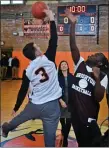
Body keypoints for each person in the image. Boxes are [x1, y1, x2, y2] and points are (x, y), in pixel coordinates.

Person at [2, 9, 62, 147]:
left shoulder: (28, 71)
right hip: (52, 106)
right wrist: (52, 19)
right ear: (36, 52)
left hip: (35, 105)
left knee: (20, 118)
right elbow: (54, 40)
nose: (39, 47)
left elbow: (23, 90)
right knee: (49, 139)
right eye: (37, 46)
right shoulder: (48, 59)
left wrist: (16, 107)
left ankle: (7, 128)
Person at [65, 9, 108, 147]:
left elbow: (99, 98)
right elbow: (73, 46)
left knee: (89, 144)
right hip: (75, 115)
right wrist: (73, 24)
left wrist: (96, 79)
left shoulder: (102, 76)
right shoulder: (80, 64)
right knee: (81, 143)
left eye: (96, 55)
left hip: (88, 118)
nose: (92, 54)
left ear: (99, 63)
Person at [58, 61, 73, 147]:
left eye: (65, 64)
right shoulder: (57, 78)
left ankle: (65, 138)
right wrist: (60, 100)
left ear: (67, 66)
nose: (63, 66)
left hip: (70, 103)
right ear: (60, 67)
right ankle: (64, 132)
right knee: (63, 121)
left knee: (69, 121)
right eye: (62, 65)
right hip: (61, 102)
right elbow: (55, 91)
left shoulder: (72, 77)